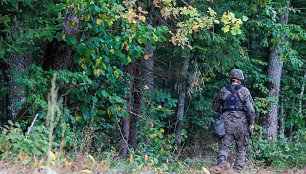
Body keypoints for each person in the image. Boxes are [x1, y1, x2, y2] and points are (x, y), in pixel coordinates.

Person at [212, 69, 256, 171]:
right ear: (240, 79)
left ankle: (220, 169)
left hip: (226, 122)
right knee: (241, 149)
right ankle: (237, 170)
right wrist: (252, 123)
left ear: (231, 78)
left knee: (224, 148)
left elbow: (214, 107)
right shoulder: (244, 91)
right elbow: (251, 110)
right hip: (241, 123)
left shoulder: (223, 90)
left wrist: (224, 110)